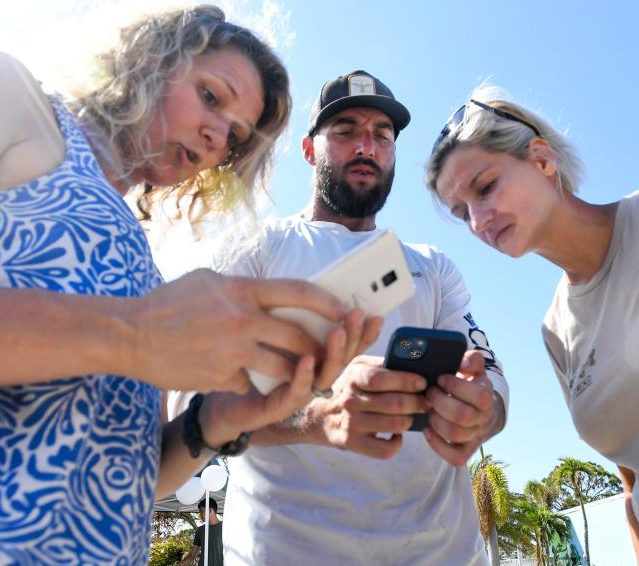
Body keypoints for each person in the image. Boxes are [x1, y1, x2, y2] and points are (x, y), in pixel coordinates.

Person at [0, 6, 378, 564]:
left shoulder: (148, 271)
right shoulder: (6, 100)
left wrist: (223, 418)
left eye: (234, 136)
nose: (214, 136)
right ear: (153, 57)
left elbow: (135, 475)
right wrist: (126, 335)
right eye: (210, 96)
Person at [172, 70, 509, 564]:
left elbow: (493, 380)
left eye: (382, 135)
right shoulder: (256, 251)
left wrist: (482, 411)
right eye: (346, 131)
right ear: (310, 150)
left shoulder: (432, 266)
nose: (366, 147)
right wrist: (313, 420)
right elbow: (185, 401)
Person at [425, 86, 639, 565]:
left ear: (542, 159)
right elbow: (633, 484)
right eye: (462, 213)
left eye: (485, 187)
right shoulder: (555, 329)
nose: (478, 220)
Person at [179, 497, 224, 566]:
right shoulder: (200, 530)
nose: (200, 514)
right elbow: (192, 556)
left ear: (210, 510)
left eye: (202, 511)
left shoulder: (225, 527)